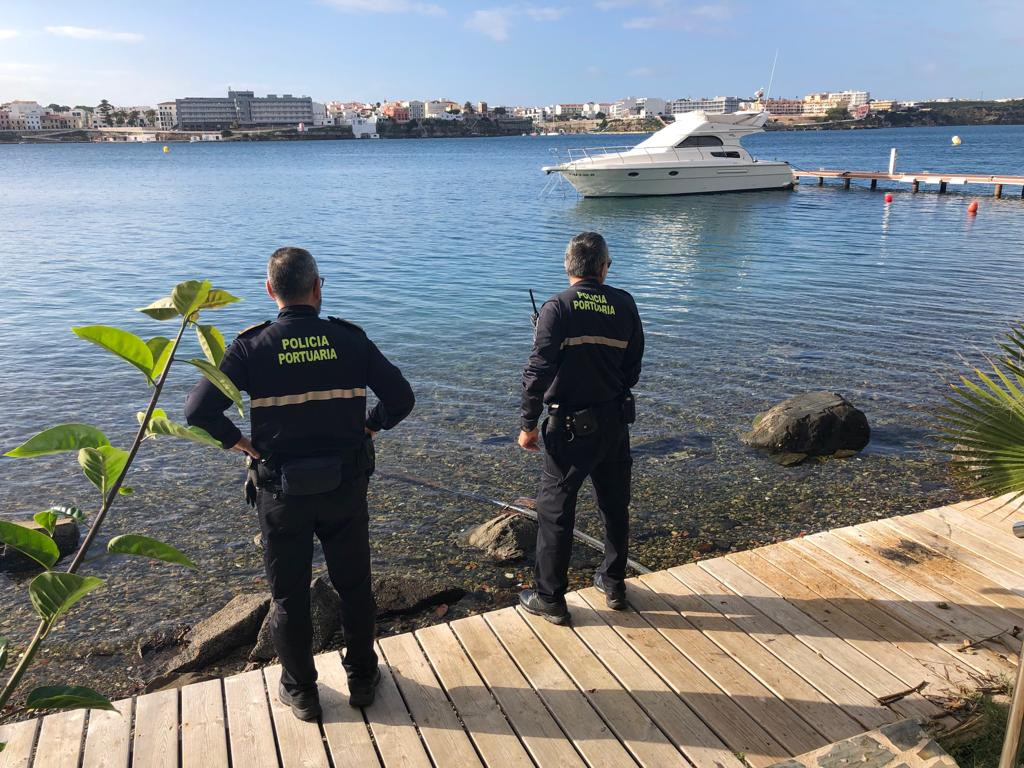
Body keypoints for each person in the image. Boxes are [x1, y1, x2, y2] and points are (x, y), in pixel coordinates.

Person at [185, 247, 414, 720]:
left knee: (288, 594)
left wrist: (243, 445)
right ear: (318, 287)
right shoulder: (349, 340)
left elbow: (197, 412)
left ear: (270, 291)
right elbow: (402, 397)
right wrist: (370, 425)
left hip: (282, 491)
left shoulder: (251, 346)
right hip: (344, 487)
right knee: (353, 586)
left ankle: (302, 691)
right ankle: (363, 678)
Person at [517, 232, 644, 625]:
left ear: (568, 267)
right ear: (604, 267)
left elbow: (538, 371)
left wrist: (527, 424)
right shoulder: (624, 303)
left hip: (569, 428)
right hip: (614, 422)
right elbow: (633, 367)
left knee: (556, 511)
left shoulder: (557, 307)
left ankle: (550, 597)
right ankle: (614, 582)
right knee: (614, 504)